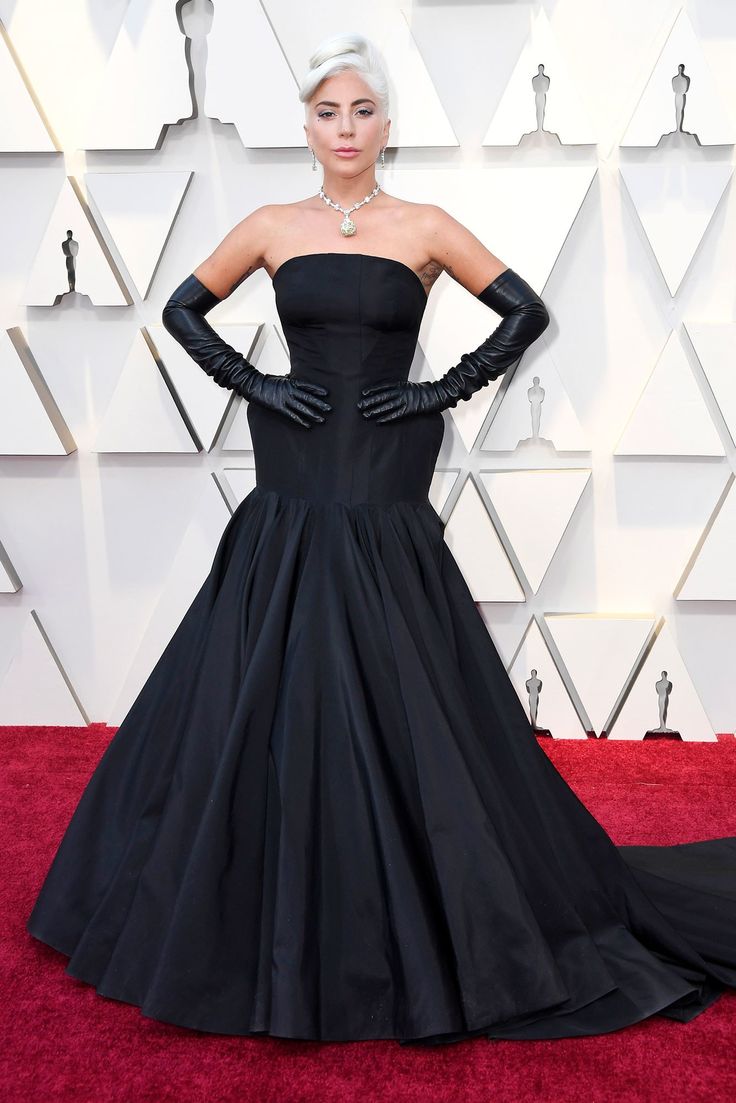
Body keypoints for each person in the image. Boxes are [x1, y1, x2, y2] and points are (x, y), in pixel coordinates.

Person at [26, 31, 736, 1046]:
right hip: (295, 447)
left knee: (391, 634)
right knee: (277, 629)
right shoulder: (272, 222)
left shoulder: (424, 224)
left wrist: (440, 391)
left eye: (362, 111)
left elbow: (521, 309)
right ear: (305, 124)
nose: (345, 128)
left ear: (387, 124)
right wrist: (254, 382)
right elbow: (184, 309)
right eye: (328, 111)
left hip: (389, 449)